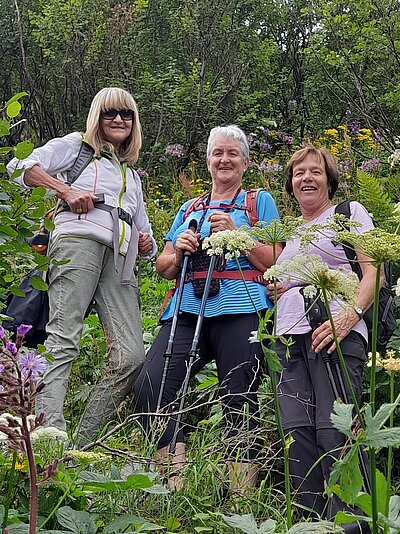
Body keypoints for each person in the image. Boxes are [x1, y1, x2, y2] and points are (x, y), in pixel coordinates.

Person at [135, 124, 281, 492]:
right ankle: (174, 486)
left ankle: (239, 497)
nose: (224, 159)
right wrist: (179, 247)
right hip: (187, 310)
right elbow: (164, 265)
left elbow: (277, 258)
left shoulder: (258, 201)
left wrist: (238, 233)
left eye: (233, 153)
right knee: (152, 384)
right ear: (208, 161)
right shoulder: (189, 207)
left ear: (245, 163)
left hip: (243, 309)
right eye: (218, 153)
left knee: (239, 395)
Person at [7, 87, 156, 444]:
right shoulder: (76, 148)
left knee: (132, 354)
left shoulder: (132, 177)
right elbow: (18, 166)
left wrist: (146, 243)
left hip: (120, 260)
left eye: (126, 114)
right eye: (110, 113)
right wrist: (65, 190)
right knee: (64, 336)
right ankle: (48, 434)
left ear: (134, 123)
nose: (119, 119)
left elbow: (145, 236)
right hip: (78, 243)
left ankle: (82, 442)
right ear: (97, 118)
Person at [267, 145, 378, 532]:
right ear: (291, 185)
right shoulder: (291, 232)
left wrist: (349, 317)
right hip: (288, 340)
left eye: (315, 172)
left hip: (336, 333)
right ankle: (312, 523)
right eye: (299, 173)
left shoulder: (348, 215)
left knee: (337, 429)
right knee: (297, 432)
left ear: (329, 180)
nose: (307, 178)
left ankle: (353, 524)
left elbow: (372, 271)